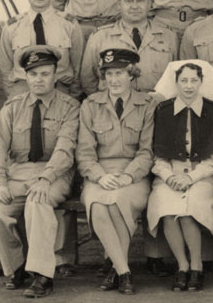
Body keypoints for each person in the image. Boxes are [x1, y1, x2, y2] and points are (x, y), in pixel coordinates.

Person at [0, 46, 80, 298]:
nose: (39, 80)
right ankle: (17, 266)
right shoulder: (12, 107)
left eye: (45, 74)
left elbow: (65, 150)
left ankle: (43, 275)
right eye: (33, 74)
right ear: (26, 76)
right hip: (18, 174)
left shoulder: (69, 107)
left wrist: (46, 179)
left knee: (38, 202)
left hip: (54, 175)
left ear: (55, 76)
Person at [76, 49, 155, 295]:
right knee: (99, 205)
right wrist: (100, 176)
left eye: (120, 73)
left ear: (131, 75)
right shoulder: (90, 106)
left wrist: (129, 175)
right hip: (99, 174)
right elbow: (85, 152)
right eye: (109, 74)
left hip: (135, 175)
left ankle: (115, 265)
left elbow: (147, 151)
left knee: (118, 202)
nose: (114, 80)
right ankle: (124, 271)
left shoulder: (147, 105)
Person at [147, 61, 213, 292]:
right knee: (169, 209)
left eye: (193, 80)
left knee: (188, 211)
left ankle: (197, 266)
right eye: (183, 80)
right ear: (176, 83)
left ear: (201, 82)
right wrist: (169, 177)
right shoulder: (163, 110)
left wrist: (191, 178)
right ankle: (182, 266)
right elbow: (158, 156)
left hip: (201, 175)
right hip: (169, 173)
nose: (189, 86)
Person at [79, 0, 177, 96]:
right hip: (115, 109)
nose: (134, 6)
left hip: (156, 108)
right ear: (119, 5)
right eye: (128, 0)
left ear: (150, 3)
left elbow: (178, 76)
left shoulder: (169, 36)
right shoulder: (99, 38)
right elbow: (88, 80)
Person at [0, 0, 83, 98]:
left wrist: (72, 97)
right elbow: (5, 69)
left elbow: (77, 67)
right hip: (22, 92)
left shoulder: (69, 24)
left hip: (59, 91)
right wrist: (14, 96)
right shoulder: (12, 27)